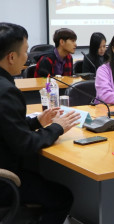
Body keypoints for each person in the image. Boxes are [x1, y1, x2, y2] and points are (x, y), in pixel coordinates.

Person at [0, 22, 81, 224]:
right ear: (11, 57)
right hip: (5, 179)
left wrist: (36, 121)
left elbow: (7, 128)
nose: (28, 58)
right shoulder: (6, 91)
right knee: (62, 197)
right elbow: (25, 144)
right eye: (25, 51)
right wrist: (57, 127)